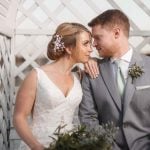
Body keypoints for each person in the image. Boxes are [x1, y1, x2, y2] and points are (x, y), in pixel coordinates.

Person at [13, 22, 93, 150]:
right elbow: (19, 117)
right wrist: (36, 146)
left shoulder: (80, 77)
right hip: (37, 144)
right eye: (86, 44)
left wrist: (94, 61)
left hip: (69, 145)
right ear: (69, 48)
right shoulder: (37, 76)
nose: (91, 49)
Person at [79, 9, 150, 150]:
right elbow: (88, 118)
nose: (93, 44)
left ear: (117, 33)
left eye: (98, 37)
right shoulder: (91, 72)